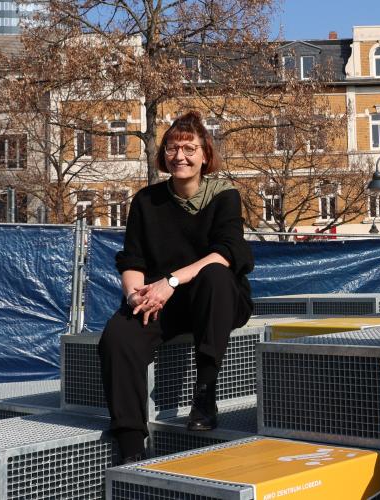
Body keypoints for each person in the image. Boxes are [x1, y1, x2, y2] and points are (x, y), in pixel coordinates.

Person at [98, 111, 254, 464]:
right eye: (172, 148)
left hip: (216, 300)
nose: (179, 156)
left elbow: (228, 252)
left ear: (205, 155)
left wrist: (170, 281)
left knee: (214, 274)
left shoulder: (224, 195)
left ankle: (205, 395)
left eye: (189, 148)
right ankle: (130, 442)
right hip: (164, 302)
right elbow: (132, 259)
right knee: (118, 335)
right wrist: (135, 296)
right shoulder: (146, 201)